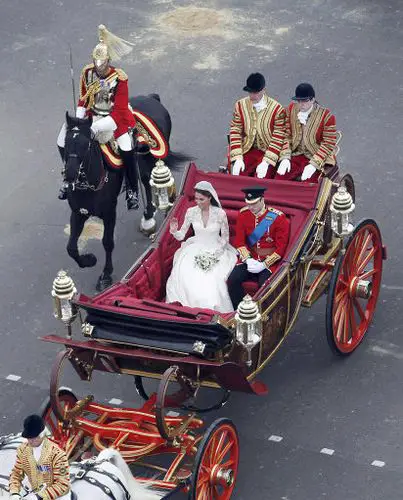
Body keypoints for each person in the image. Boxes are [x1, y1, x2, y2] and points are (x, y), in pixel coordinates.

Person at [57, 24, 139, 210]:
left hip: (113, 118)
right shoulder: (87, 72)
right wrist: (79, 121)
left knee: (126, 148)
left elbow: (118, 112)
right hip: (91, 115)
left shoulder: (120, 78)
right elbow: (83, 99)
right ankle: (68, 175)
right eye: (96, 62)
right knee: (62, 140)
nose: (98, 67)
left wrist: (95, 128)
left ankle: (133, 190)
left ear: (108, 61)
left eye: (102, 63)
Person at [166, 181, 237, 312]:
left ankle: (209, 309)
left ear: (210, 197)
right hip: (194, 248)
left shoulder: (220, 213)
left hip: (216, 249)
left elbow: (225, 238)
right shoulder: (191, 212)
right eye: (196, 198)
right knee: (184, 273)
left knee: (212, 279)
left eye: (201, 199)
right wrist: (175, 231)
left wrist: (216, 253)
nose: (198, 202)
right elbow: (181, 235)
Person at [227, 186, 290, 310]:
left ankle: (264, 313)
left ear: (262, 200)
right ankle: (239, 310)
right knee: (232, 280)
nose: (251, 207)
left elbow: (281, 248)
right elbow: (239, 241)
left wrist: (264, 264)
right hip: (250, 258)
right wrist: (248, 259)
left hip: (269, 261)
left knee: (265, 287)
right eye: (248, 204)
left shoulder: (278, 217)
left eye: (254, 204)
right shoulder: (243, 215)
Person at [275, 83, 338, 182]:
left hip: (316, 155)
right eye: (299, 101)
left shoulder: (327, 116)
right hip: (295, 155)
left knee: (309, 185)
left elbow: (328, 144)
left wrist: (314, 164)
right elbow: (286, 135)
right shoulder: (291, 109)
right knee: (279, 178)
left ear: (312, 100)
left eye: (305, 101)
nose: (301, 104)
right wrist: (285, 157)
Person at [229, 72, 286, 179]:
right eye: (250, 92)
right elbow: (235, 131)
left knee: (261, 178)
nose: (252, 96)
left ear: (264, 90)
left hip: (267, 151)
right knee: (238, 176)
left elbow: (278, 138)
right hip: (247, 149)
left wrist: (267, 161)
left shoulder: (277, 110)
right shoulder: (240, 105)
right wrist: (238, 157)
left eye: (255, 93)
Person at [9, 414, 71, 500]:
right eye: (28, 437)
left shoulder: (58, 454)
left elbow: (63, 484)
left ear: (42, 434)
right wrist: (14, 492)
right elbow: (16, 474)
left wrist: (38, 496)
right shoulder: (22, 450)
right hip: (34, 493)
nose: (30, 441)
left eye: (34, 438)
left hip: (55, 496)